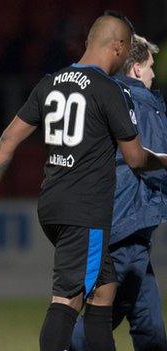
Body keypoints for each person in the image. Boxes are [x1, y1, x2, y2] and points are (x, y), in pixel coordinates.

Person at [0, 12, 167, 351]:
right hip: (84, 211)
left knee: (104, 291)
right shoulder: (109, 90)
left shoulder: (51, 82)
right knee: (67, 300)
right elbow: (135, 158)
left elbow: (9, 138)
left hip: (53, 203)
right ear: (117, 47)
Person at [71, 34, 167, 351]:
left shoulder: (108, 97)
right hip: (127, 221)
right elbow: (153, 161)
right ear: (137, 68)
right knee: (106, 318)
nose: (154, 74)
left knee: (149, 322)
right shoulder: (141, 101)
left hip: (123, 221)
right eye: (151, 66)